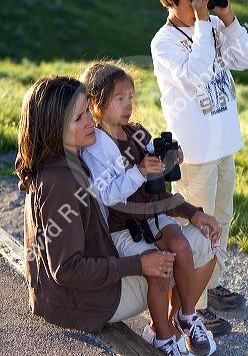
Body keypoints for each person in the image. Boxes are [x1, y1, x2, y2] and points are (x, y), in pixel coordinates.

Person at [15, 76, 179, 339]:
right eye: (79, 118)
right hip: (76, 303)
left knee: (172, 251)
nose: (92, 122)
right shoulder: (62, 182)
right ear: (54, 127)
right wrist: (139, 264)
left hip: (63, 293)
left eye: (88, 112)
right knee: (176, 262)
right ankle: (165, 335)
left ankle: (167, 330)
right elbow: (67, 269)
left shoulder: (68, 158)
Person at [80, 61, 223, 356]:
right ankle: (161, 336)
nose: (128, 105)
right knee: (159, 266)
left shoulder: (137, 133)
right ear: (95, 102)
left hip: (152, 214)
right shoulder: (95, 145)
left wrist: (168, 162)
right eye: (119, 99)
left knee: (181, 246)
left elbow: (155, 184)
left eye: (131, 97)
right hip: (123, 225)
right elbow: (107, 194)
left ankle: (186, 316)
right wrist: (140, 171)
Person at [151, 0, 248, 336]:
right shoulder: (164, 42)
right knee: (198, 232)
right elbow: (195, 76)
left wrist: (226, 18)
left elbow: (245, 58)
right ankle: (191, 307)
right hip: (195, 153)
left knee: (222, 221)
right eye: (193, 1)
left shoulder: (211, 26)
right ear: (171, 0)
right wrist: (201, 24)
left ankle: (209, 289)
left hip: (224, 143)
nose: (202, 7)